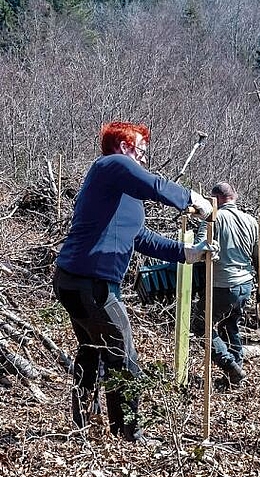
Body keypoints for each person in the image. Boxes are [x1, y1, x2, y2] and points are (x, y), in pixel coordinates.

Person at [54, 121, 214, 441]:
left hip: (79, 280)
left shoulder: (121, 192)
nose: (144, 155)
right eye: (141, 148)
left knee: (93, 350)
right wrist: (195, 201)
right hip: (90, 284)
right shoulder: (111, 165)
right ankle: (128, 433)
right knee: (124, 358)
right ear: (125, 147)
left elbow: (140, 237)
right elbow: (154, 185)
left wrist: (189, 253)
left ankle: (86, 425)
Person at [191, 182, 260, 388]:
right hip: (245, 285)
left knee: (201, 326)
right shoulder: (251, 221)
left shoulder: (213, 218)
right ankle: (235, 378)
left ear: (215, 199)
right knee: (230, 326)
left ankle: (230, 367)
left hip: (222, 284)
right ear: (234, 197)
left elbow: (199, 250)